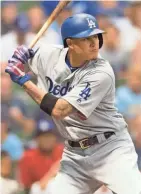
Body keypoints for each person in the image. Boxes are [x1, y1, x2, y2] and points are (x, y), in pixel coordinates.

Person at [5, 13, 141, 194]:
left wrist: (23, 80)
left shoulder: (101, 72)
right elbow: (23, 61)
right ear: (70, 44)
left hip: (110, 149)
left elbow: (59, 110)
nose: (95, 43)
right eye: (86, 38)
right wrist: (20, 57)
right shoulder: (48, 55)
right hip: (75, 154)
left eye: (96, 36)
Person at [18, 119, 63, 194]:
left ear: (55, 137)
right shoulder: (28, 157)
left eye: (49, 136)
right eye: (43, 136)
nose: (47, 140)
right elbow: (26, 187)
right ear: (36, 139)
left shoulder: (64, 152)